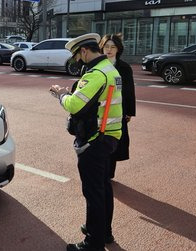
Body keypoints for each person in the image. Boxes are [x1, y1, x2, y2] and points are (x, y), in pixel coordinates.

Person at [50, 33, 123, 251]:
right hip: (110, 135)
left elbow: (74, 105)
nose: (78, 61)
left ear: (84, 51)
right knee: (103, 187)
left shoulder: (96, 74)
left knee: (93, 193)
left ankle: (94, 243)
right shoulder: (111, 69)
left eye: (78, 57)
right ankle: (103, 231)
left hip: (95, 140)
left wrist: (60, 94)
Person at [98, 33, 136, 179]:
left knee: (113, 142)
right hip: (99, 111)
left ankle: (109, 173)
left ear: (118, 49)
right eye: (106, 46)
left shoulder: (124, 68)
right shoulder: (96, 65)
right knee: (98, 141)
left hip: (117, 112)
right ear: (101, 48)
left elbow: (129, 91)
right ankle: (100, 171)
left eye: (113, 47)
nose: (109, 50)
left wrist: (130, 112)